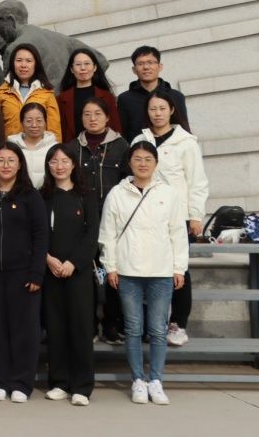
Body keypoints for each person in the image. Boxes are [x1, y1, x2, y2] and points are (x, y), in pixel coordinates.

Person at [99, 141, 188, 406]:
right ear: (129, 162)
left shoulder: (168, 193)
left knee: (158, 329)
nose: (143, 163)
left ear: (156, 163)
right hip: (128, 270)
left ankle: (156, 380)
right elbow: (108, 233)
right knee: (134, 328)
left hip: (161, 270)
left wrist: (179, 267)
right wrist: (111, 266)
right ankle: (138, 379)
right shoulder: (117, 193)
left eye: (148, 159)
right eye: (137, 158)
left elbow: (177, 233)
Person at [0, 143, 48, 403]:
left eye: (11, 160)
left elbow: (41, 235)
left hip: (23, 272)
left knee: (24, 329)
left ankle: (21, 383)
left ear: (19, 164)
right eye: (0, 160)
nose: (5, 165)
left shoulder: (31, 195)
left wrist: (37, 273)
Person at [133, 91, 208, 347]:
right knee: (146, 269)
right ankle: (150, 324)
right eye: (153, 109)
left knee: (178, 269)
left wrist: (196, 215)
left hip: (178, 217)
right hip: (146, 216)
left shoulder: (186, 142)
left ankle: (178, 323)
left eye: (162, 108)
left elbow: (197, 181)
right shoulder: (140, 140)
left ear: (172, 110)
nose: (157, 113)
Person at [65, 97, 130, 345]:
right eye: (87, 114)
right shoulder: (72, 148)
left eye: (97, 114)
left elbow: (128, 183)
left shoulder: (121, 146)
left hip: (113, 221)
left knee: (113, 271)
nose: (92, 119)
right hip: (82, 222)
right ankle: (89, 324)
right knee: (86, 276)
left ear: (107, 117)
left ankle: (112, 324)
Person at [40, 144, 99, 406]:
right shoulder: (42, 196)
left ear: (74, 164)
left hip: (78, 272)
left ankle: (82, 387)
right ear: (48, 166)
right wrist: (47, 258)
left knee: (80, 328)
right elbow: (36, 232)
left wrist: (74, 263)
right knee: (55, 328)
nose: (59, 166)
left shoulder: (86, 195)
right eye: (54, 161)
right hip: (50, 270)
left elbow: (92, 234)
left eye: (64, 161)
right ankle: (59, 382)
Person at [117, 46, 189, 142]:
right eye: (140, 64)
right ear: (134, 69)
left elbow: (183, 129)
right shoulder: (125, 99)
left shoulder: (176, 96)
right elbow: (123, 134)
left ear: (160, 67)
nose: (146, 67)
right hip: (138, 149)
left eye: (150, 62)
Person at [0, 43, 61, 140]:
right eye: (19, 60)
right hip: (11, 148)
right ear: (12, 64)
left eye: (29, 61)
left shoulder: (47, 93)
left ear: (36, 64)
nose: (23, 65)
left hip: (40, 148)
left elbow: (54, 130)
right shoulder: (2, 93)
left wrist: (55, 148)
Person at [57, 48, 121, 142]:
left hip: (103, 149)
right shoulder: (62, 99)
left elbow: (115, 129)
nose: (83, 68)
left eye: (87, 63)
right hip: (71, 148)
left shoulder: (107, 96)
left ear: (94, 67)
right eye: (78, 64)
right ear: (72, 69)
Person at [8, 103, 58, 189]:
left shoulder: (55, 147)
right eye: (29, 121)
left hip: (47, 194)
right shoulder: (11, 147)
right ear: (21, 123)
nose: (34, 125)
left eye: (39, 120)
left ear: (45, 122)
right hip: (18, 194)